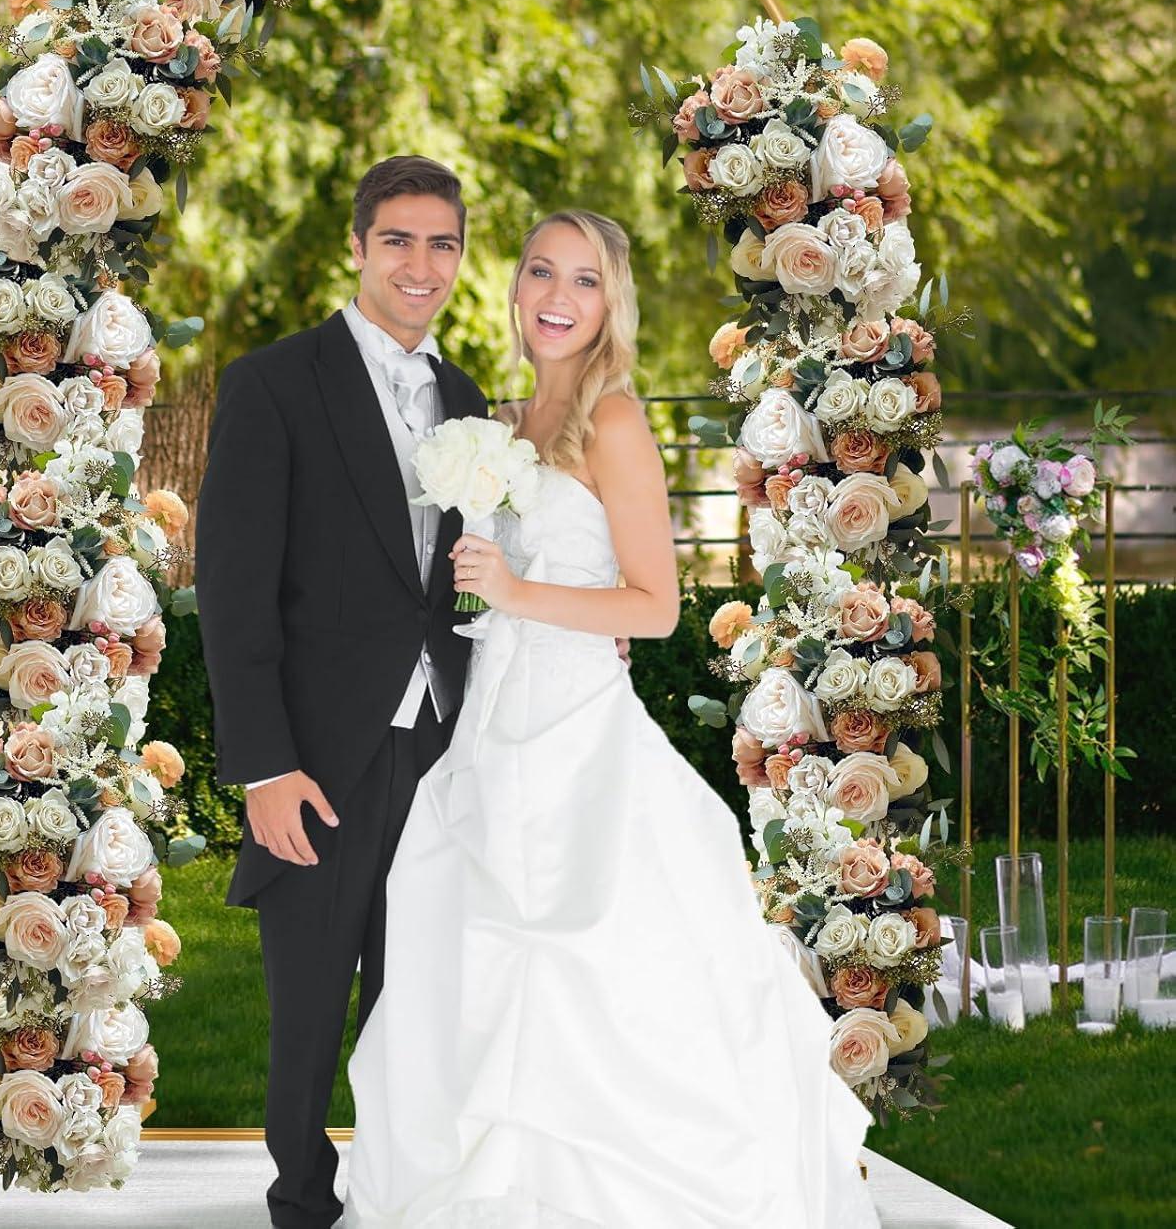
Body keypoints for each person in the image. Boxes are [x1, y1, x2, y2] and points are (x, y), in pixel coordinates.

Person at [343, 209, 879, 1228]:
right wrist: (471, 598)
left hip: (579, 732)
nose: (557, 296)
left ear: (610, 303)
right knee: (459, 947)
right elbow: (484, 588)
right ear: (515, 289)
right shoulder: (501, 423)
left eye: (584, 280)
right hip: (494, 723)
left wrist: (514, 595)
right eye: (542, 272)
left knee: (578, 958)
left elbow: (657, 607)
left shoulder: (615, 419)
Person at [195, 156, 489, 1229]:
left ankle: (404, 1190)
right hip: (317, 753)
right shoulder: (275, 382)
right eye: (400, 242)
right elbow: (232, 593)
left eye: (443, 243)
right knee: (312, 1002)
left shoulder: (466, 399)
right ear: (359, 248)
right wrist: (265, 766)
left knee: (416, 997)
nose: (423, 265)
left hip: (441, 742)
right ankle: (302, 1201)